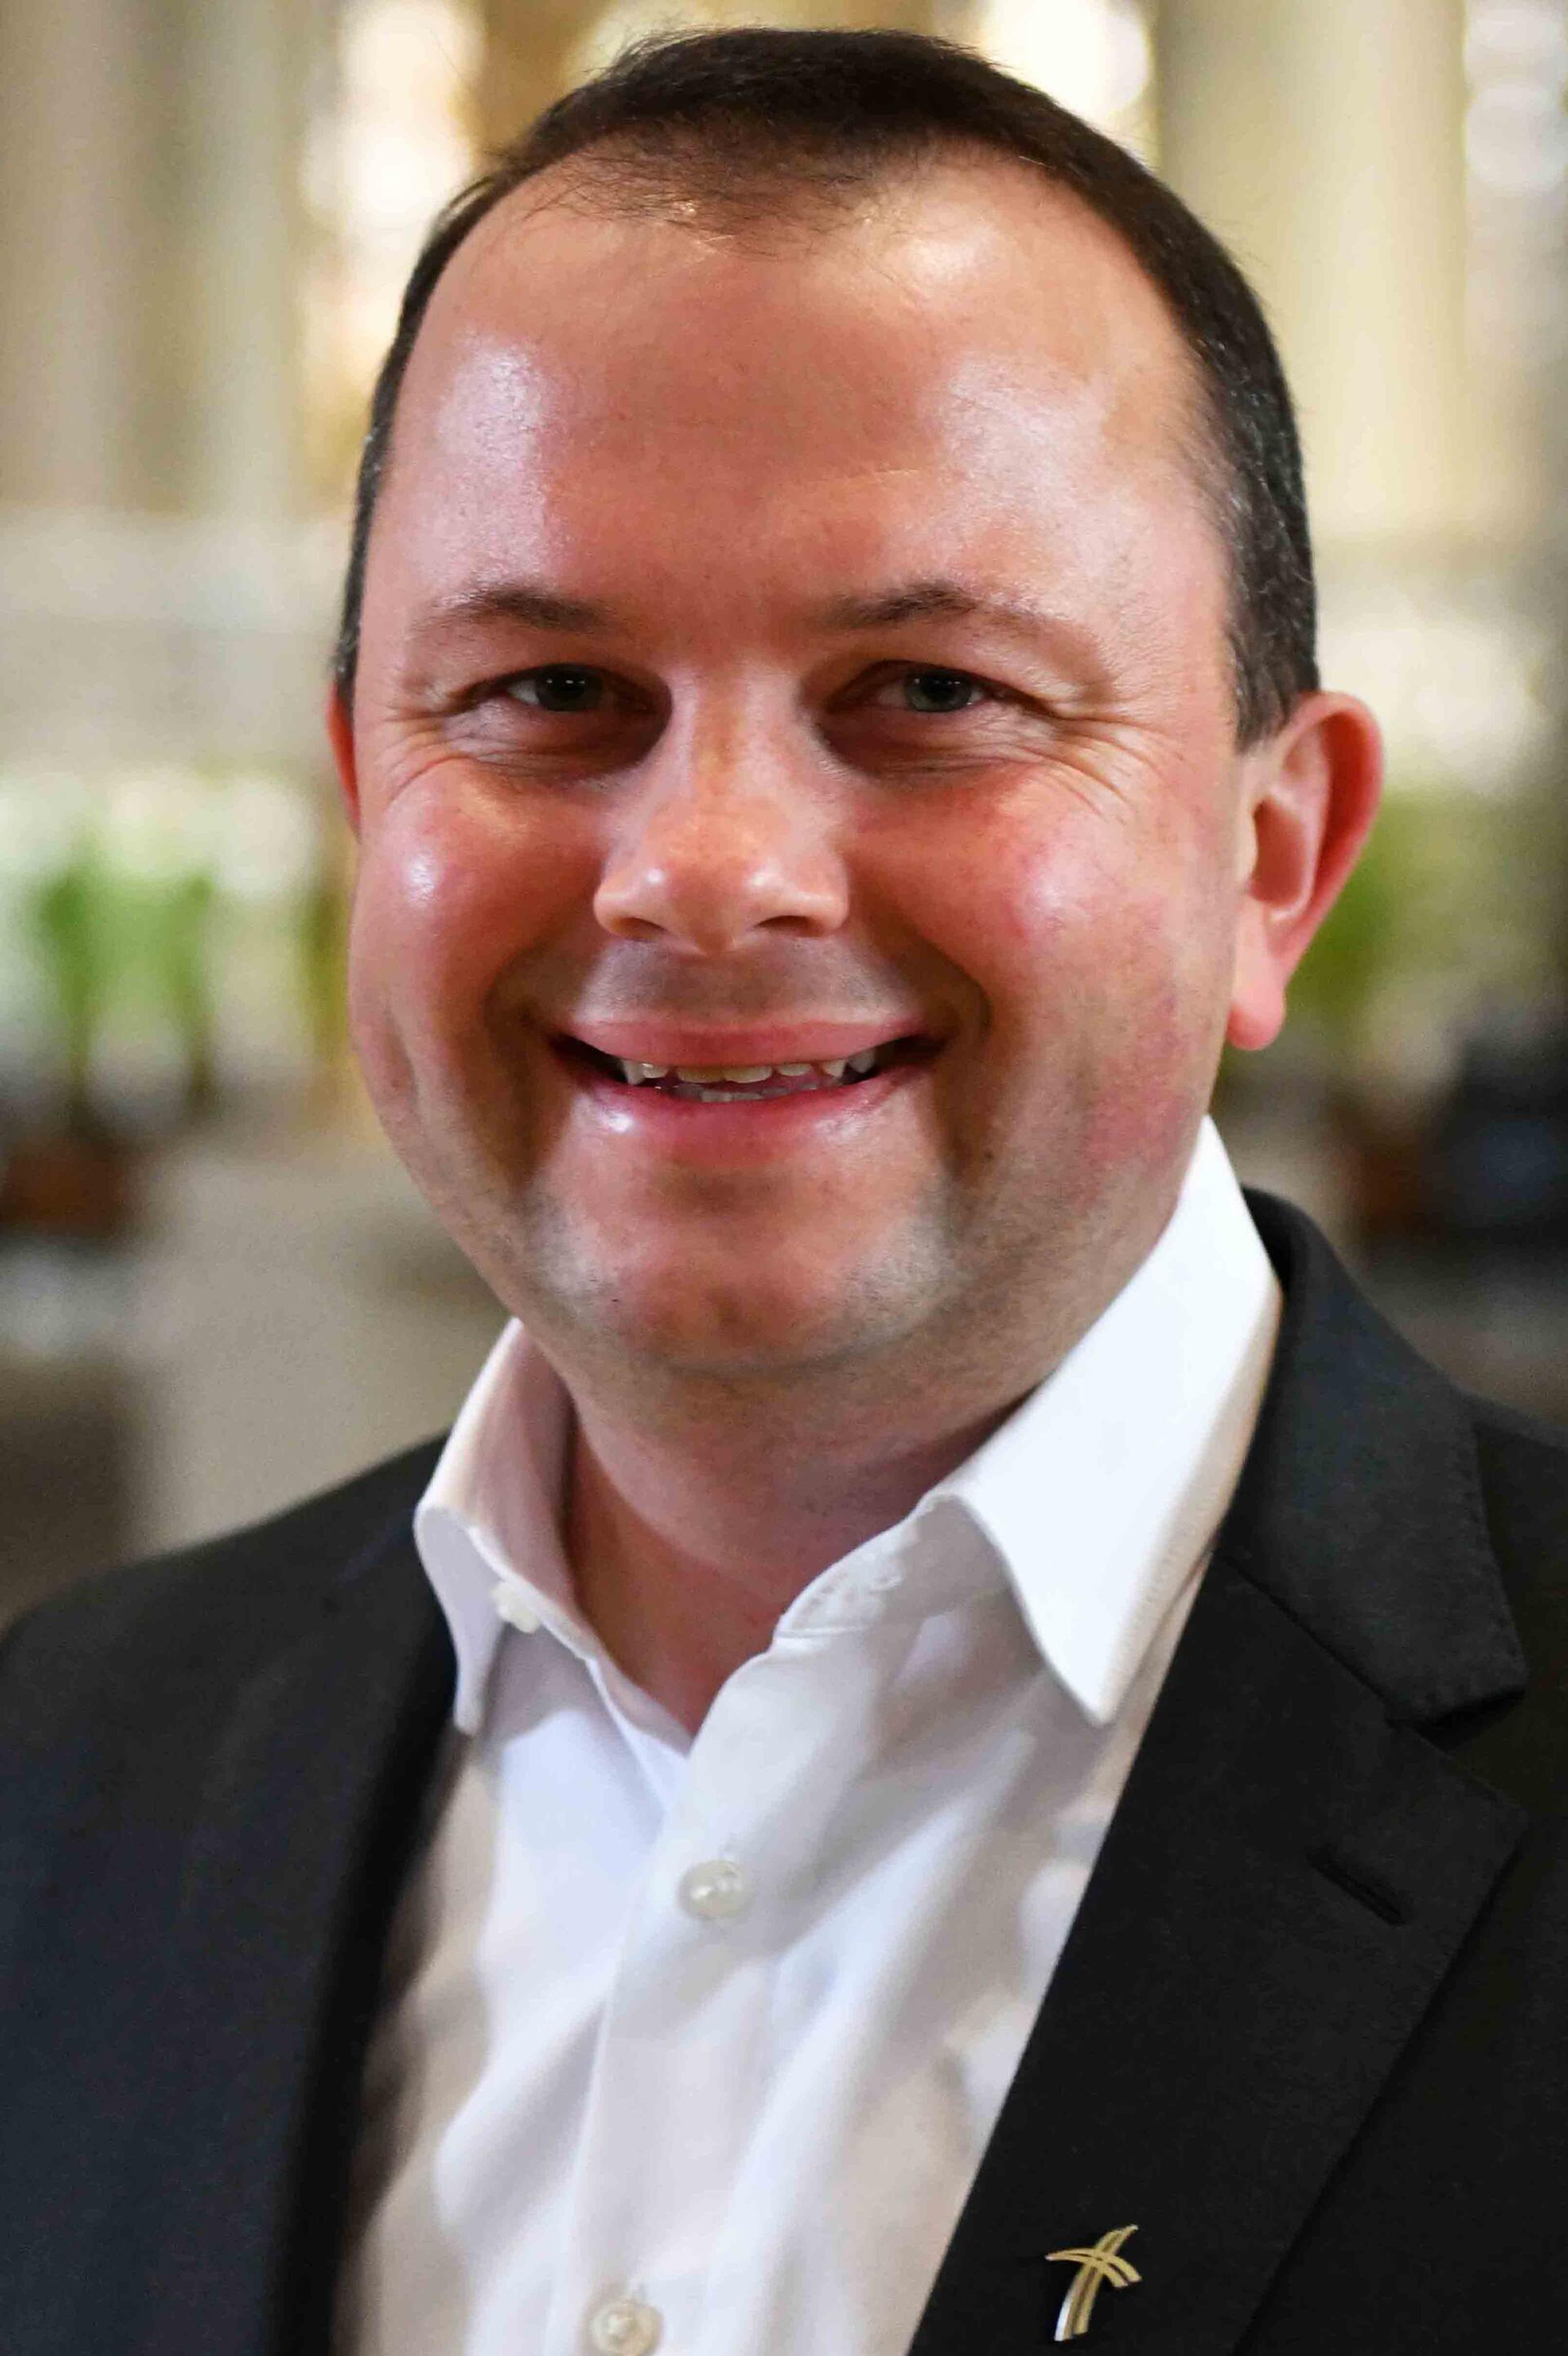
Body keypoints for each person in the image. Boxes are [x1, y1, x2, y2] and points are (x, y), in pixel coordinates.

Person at [3, 25, 1566, 2356]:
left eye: (926, 692)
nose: (707, 867)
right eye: (549, 691)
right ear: (362, 806)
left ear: (1272, 857)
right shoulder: (64, 1776)